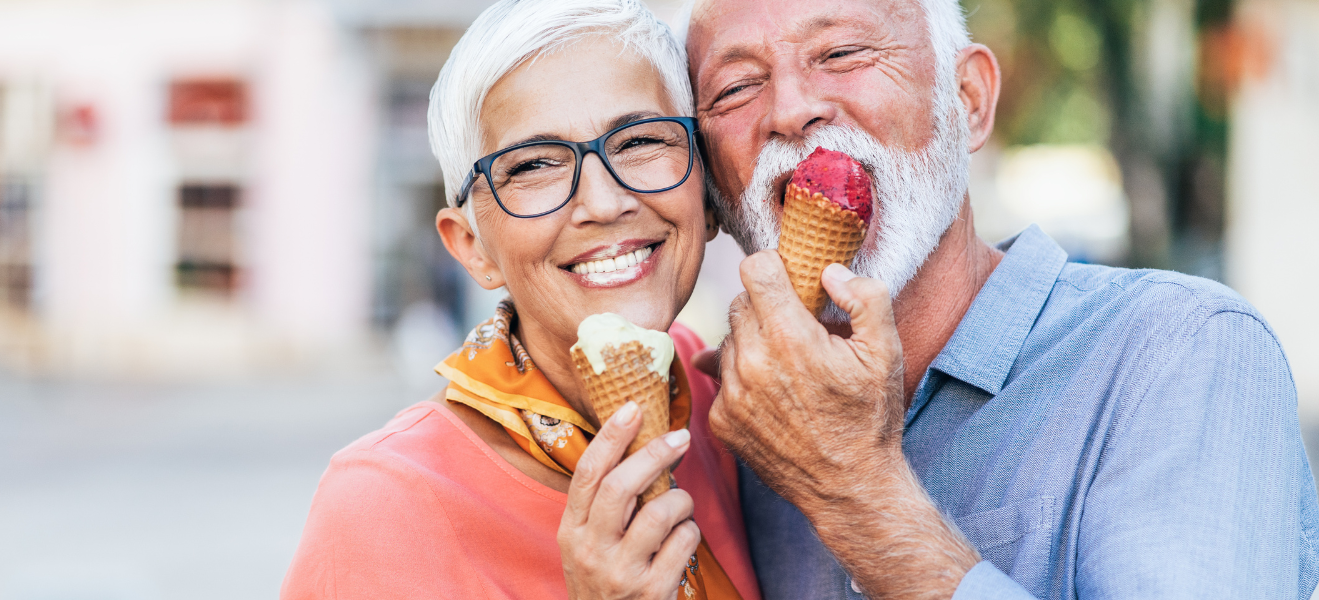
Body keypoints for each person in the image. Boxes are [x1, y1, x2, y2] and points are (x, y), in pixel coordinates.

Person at [678, 0, 1319, 598]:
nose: (790, 109)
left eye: (842, 53)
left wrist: (854, 493)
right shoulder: (729, 435)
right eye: (735, 88)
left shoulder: (1182, 349)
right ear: (711, 189)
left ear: (969, 100)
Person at [281, 1, 760, 599]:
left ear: (707, 191)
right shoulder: (387, 498)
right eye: (533, 165)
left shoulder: (731, 399)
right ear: (471, 247)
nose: (605, 202)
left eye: (639, 140)